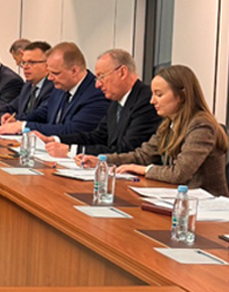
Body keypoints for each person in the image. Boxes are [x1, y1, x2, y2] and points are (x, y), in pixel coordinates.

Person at [79, 64, 229, 196]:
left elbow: (179, 173)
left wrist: (143, 170)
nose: (152, 101)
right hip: (178, 199)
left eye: (159, 94)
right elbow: (142, 156)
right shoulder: (168, 124)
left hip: (207, 209)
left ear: (181, 96)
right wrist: (102, 161)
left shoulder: (202, 126)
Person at [37, 49, 159, 157]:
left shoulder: (146, 101)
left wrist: (71, 150)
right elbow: (98, 136)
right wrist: (55, 140)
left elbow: (126, 150)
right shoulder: (116, 100)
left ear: (122, 72)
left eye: (102, 77)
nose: (97, 84)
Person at [0, 42, 108, 136]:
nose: (50, 78)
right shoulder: (60, 87)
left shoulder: (96, 94)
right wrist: (17, 121)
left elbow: (71, 130)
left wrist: (23, 126)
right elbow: (43, 114)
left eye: (55, 73)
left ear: (74, 71)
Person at [0, 40, 53, 123]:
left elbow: (36, 116)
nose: (25, 67)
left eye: (31, 62)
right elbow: (11, 107)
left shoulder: (52, 87)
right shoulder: (28, 86)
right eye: (23, 62)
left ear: (47, 64)